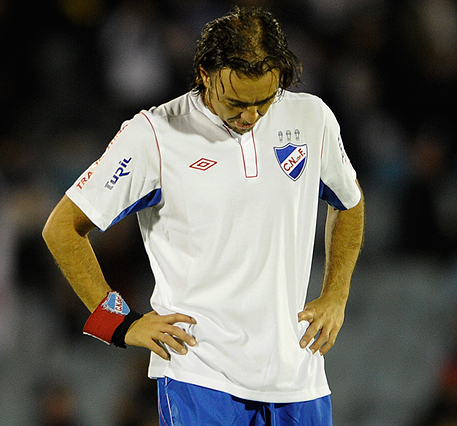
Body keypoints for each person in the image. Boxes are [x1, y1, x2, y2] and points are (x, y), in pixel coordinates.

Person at [42, 6, 364, 426]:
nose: (250, 116)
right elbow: (61, 229)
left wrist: (336, 294)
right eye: (236, 102)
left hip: (300, 378)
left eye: (264, 101)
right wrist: (121, 325)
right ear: (205, 74)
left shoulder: (312, 118)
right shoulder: (153, 136)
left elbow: (350, 202)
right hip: (199, 376)